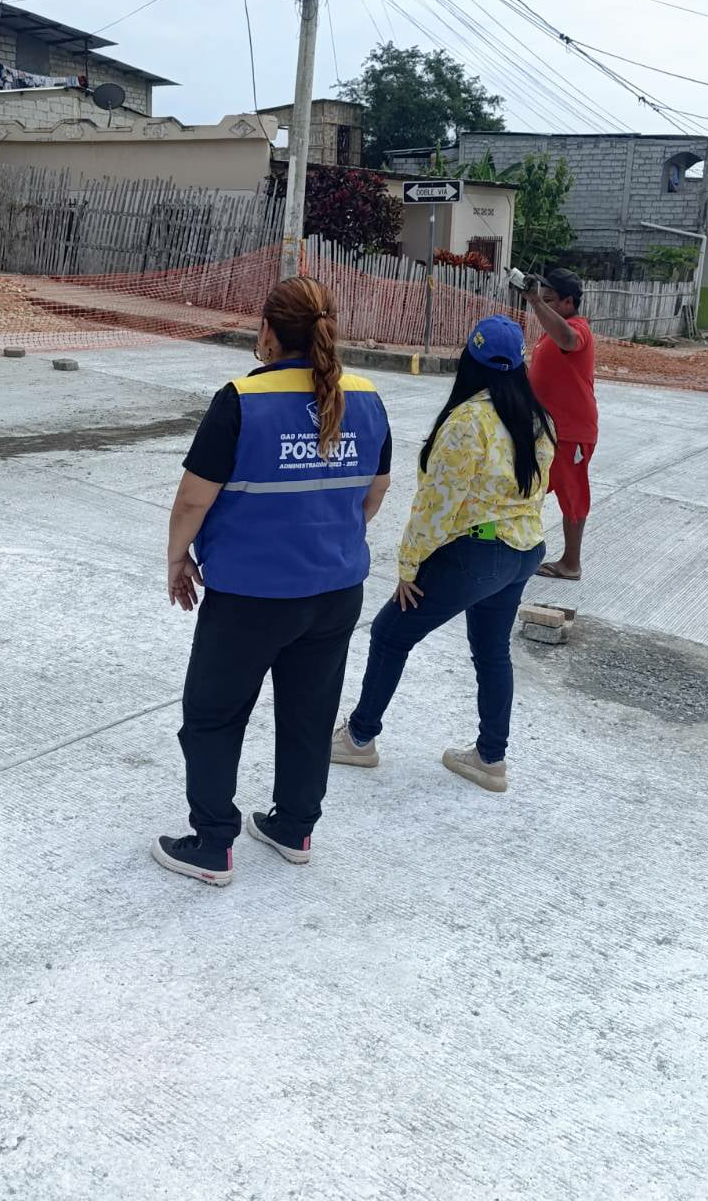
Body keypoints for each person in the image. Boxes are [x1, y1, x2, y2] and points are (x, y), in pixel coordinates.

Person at [153, 275, 392, 887]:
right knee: (310, 712)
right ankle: (294, 827)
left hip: (251, 598)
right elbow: (375, 493)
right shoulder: (367, 397)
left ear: (267, 331)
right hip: (335, 592)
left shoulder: (241, 399)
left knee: (212, 715)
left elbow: (193, 500)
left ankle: (213, 844)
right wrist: (329, 537)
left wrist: (178, 559)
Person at [331, 315, 555, 793]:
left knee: (390, 633)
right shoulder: (538, 418)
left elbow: (437, 505)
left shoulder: (467, 421)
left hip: (478, 552)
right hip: (523, 549)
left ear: (469, 361)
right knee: (492, 652)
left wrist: (410, 565)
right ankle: (491, 758)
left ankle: (359, 737)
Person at [521, 268, 597, 582]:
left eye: (550, 299)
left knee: (572, 495)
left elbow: (567, 339)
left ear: (568, 302)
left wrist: (536, 303)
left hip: (571, 432)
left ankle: (571, 564)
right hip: (546, 429)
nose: (544, 304)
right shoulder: (549, 331)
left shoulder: (577, 329)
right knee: (530, 488)